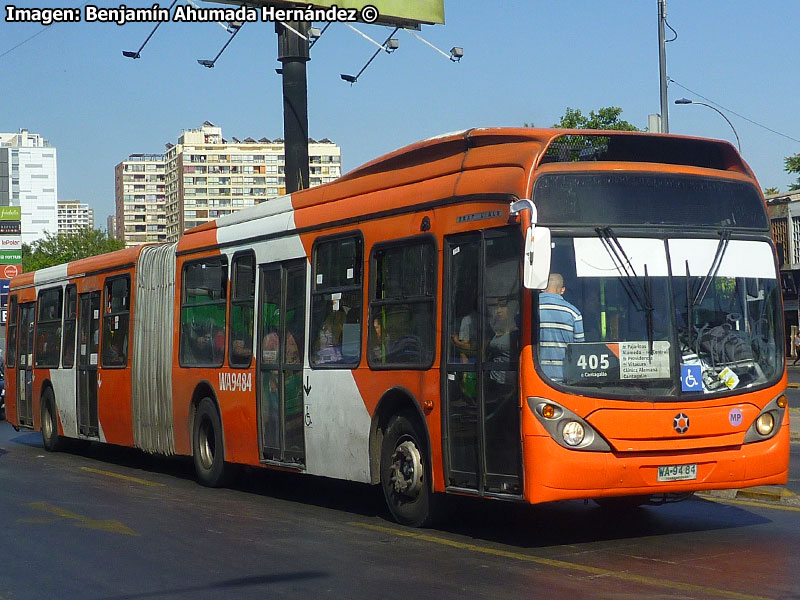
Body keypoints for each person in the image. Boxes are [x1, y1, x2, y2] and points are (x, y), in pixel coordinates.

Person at [538, 273, 585, 382]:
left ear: (543, 287)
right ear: (562, 290)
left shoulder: (530, 310)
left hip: (536, 376)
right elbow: (579, 349)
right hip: (563, 379)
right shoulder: (574, 313)